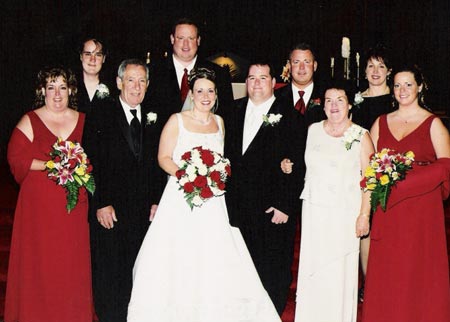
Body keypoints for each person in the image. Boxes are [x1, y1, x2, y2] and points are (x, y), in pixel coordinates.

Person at [127, 67, 280, 322]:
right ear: (192, 93)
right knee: (181, 258)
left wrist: (213, 177)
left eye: (210, 91)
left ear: (216, 94)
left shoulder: (219, 122)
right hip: (182, 199)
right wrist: (187, 177)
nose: (205, 96)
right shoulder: (177, 120)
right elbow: (163, 158)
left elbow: (223, 161)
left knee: (215, 259)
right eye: (200, 91)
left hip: (213, 201)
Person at [362, 65, 450, 322]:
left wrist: (405, 182)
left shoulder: (433, 123)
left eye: (408, 84)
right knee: (389, 273)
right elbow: (370, 166)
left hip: (421, 213)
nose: (402, 90)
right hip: (389, 212)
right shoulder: (380, 123)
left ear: (420, 87)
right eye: (397, 85)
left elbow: (446, 166)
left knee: (418, 272)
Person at [5, 67, 93, 322]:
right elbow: (15, 159)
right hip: (38, 211)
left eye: (63, 87)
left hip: (73, 211)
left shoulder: (85, 120)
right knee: (41, 267)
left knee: (69, 267)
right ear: (42, 91)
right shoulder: (30, 120)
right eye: (51, 87)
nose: (57, 93)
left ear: (71, 91)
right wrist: (52, 164)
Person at [282, 81, 374, 322]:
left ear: (349, 105)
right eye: (329, 101)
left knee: (339, 273)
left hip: (344, 214)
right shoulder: (312, 130)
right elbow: (303, 164)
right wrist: (288, 164)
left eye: (340, 100)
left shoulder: (361, 135)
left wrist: (364, 214)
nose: (334, 106)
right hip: (314, 213)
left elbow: (370, 180)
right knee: (315, 271)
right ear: (322, 106)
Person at [83, 59, 163, 322]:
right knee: (109, 275)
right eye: (131, 80)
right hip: (110, 210)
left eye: (142, 81)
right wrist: (100, 203)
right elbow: (91, 160)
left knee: (137, 273)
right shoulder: (101, 113)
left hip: (141, 213)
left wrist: (155, 201)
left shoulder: (154, 115)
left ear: (148, 85)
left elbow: (158, 163)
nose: (136, 87)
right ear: (119, 82)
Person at [224, 62, 300, 315]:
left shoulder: (291, 117)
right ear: (245, 82)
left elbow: (299, 164)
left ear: (273, 82)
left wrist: (285, 205)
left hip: (272, 211)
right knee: (240, 272)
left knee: (273, 272)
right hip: (237, 209)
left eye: (263, 78)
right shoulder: (231, 111)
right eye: (251, 78)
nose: (256, 83)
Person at [350, 44, 395, 301]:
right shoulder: (355, 99)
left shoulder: (396, 99)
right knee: (364, 228)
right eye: (370, 66)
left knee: (387, 229)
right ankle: (369, 283)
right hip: (361, 173)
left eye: (380, 66)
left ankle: (390, 279)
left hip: (390, 172)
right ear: (364, 71)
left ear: (389, 71)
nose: (375, 71)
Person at [149, 17, 233, 129]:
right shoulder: (153, 72)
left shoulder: (219, 74)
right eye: (180, 38)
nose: (186, 45)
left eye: (191, 38)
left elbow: (228, 118)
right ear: (172, 39)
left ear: (198, 41)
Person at [275, 42, 325, 127]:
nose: (302, 67)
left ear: (315, 66)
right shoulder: (275, 96)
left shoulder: (325, 97)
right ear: (289, 67)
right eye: (296, 62)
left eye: (307, 62)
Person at [77, 37, 113, 115]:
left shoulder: (114, 90)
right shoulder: (69, 87)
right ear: (81, 57)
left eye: (98, 55)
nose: (92, 59)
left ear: (104, 59)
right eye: (88, 54)